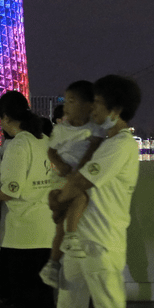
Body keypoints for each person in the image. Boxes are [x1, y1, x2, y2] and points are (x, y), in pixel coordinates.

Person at [52, 75, 154, 308]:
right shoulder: (104, 142)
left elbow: (79, 182)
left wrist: (57, 200)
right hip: (81, 242)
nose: (92, 109)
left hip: (100, 242)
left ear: (115, 110)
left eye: (98, 103)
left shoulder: (120, 145)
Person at [0, 90, 60, 308]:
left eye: (1, 119)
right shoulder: (43, 140)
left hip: (23, 237)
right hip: (47, 232)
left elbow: (10, 189)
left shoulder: (19, 144)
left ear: (8, 117)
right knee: (44, 306)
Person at [40, 80, 99, 288]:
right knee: (75, 204)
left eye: (72, 101)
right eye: (66, 101)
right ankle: (69, 240)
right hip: (61, 177)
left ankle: (53, 265)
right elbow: (51, 151)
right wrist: (61, 165)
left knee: (60, 220)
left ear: (89, 105)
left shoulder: (95, 128)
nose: (66, 106)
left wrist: (79, 169)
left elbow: (94, 150)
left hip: (77, 177)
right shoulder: (61, 128)